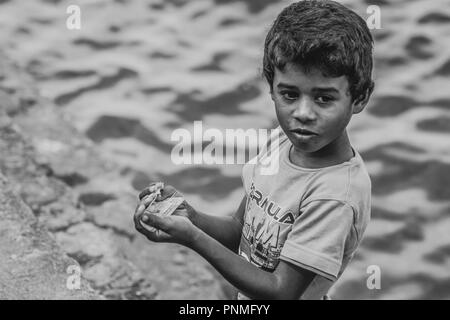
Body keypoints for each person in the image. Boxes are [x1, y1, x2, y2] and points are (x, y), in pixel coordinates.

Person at [134, 0, 374, 300]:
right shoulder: (280, 143)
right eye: (289, 94)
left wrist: (193, 239)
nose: (303, 113)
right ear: (271, 88)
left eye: (323, 98)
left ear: (360, 97)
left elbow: (281, 291)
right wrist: (191, 218)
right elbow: (240, 230)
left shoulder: (335, 195)